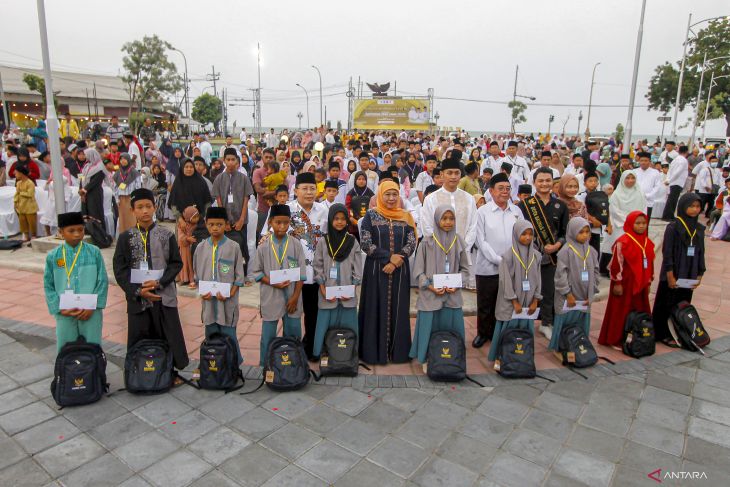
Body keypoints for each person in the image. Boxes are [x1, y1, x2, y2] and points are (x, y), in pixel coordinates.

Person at [112, 188, 189, 374]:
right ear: (133, 211)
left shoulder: (166, 235)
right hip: (138, 298)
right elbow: (120, 269)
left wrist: (159, 283)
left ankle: (169, 372)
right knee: (140, 335)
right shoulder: (125, 238)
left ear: (155, 208)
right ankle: (140, 373)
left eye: (148, 206)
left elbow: (176, 263)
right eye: (140, 207)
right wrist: (137, 291)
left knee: (167, 334)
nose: (145, 211)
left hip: (163, 295)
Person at [358, 180, 417, 364]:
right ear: (380, 195)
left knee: (399, 309)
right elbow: (366, 243)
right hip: (377, 270)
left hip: (400, 270)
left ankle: (398, 353)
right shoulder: (370, 215)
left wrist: (398, 259)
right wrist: (389, 257)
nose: (391, 198)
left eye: (394, 194)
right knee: (376, 308)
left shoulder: (406, 216)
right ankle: (374, 353)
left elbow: (411, 242)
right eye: (387, 194)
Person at [409, 205, 469, 363]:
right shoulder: (426, 243)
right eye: (444, 218)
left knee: (452, 327)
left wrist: (456, 285)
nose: (448, 222)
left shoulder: (459, 241)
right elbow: (418, 272)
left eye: (451, 218)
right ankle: (427, 357)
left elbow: (465, 270)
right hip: (430, 294)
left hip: (452, 295)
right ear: (437, 220)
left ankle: (454, 357)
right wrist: (430, 286)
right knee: (429, 326)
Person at [472, 173, 524, 348]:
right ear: (491, 191)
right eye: (500, 188)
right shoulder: (482, 212)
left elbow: (522, 236)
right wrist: (499, 260)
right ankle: (483, 333)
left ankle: (502, 332)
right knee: (486, 302)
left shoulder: (516, 212)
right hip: (488, 267)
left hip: (511, 266)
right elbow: (481, 240)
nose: (504, 192)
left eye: (508, 189)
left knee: (506, 301)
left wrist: (512, 260)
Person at [43, 212, 108, 351]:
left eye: (80, 229)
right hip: (65, 311)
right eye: (71, 231)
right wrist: (59, 308)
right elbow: (48, 285)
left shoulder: (94, 252)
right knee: (66, 347)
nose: (77, 234)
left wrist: (92, 307)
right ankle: (67, 373)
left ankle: (93, 372)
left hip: (91, 311)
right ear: (60, 232)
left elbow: (102, 281)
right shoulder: (53, 256)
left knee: (93, 346)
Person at [252, 204, 306, 365]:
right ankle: (266, 365)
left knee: (294, 333)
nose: (282, 226)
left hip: (293, 298)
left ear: (290, 222)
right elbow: (257, 272)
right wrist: (273, 282)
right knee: (268, 334)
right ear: (270, 222)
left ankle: (294, 365)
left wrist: (295, 297)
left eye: (285, 222)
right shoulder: (263, 247)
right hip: (271, 296)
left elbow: (301, 274)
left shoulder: (296, 245)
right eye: (278, 222)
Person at [518, 167, 569, 340]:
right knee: (526, 292)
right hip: (528, 257)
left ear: (552, 182)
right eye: (541, 181)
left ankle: (546, 323)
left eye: (548, 180)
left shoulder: (560, 205)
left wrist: (556, 245)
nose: (544, 184)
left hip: (552, 258)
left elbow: (565, 233)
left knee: (549, 292)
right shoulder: (525, 206)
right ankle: (523, 324)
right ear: (534, 183)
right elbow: (518, 231)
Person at [193, 206, 246, 365]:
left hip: (227, 302)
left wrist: (231, 292)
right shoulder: (200, 248)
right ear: (206, 224)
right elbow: (197, 276)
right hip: (208, 302)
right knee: (211, 334)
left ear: (226, 224)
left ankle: (233, 366)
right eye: (211, 224)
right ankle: (212, 368)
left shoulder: (234, 247)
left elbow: (239, 277)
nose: (215, 228)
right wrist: (202, 292)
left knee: (229, 335)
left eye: (219, 224)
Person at [652, 194, 706, 344]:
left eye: (697, 206)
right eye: (691, 206)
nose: (695, 209)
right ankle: (662, 333)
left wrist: (700, 273)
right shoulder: (673, 227)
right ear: (683, 206)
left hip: (689, 272)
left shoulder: (699, 228)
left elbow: (701, 251)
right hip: (674, 272)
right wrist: (670, 274)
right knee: (666, 302)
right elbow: (667, 252)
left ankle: (679, 332)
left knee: (682, 304)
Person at [287, 171, 329, 360]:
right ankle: (291, 349)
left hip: (315, 272)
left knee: (313, 313)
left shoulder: (324, 211)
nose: (309, 192)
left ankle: (312, 347)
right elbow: (272, 235)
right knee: (292, 313)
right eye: (304, 189)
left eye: (312, 188)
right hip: (294, 273)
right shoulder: (287, 210)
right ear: (296, 190)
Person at [312, 204, 363, 357]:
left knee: (349, 325)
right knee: (325, 325)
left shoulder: (352, 241)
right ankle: (321, 353)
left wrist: (353, 288)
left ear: (347, 221)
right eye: (336, 219)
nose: (340, 222)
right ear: (330, 220)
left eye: (343, 219)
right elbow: (317, 265)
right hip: (327, 292)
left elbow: (358, 267)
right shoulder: (323, 241)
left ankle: (349, 354)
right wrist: (322, 287)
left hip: (348, 295)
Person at [487, 220, 542, 361]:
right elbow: (505, 281)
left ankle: (523, 358)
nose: (528, 237)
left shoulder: (536, 256)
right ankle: (501, 357)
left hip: (528, 302)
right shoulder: (508, 256)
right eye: (524, 234)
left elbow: (538, 279)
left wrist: (536, 299)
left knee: (525, 330)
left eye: (531, 234)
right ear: (516, 234)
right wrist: (514, 301)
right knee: (506, 329)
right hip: (511, 303)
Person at [598, 211, 654, 347]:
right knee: (620, 311)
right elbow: (617, 264)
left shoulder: (648, 242)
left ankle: (639, 336)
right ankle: (615, 338)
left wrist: (649, 281)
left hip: (641, 283)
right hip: (625, 283)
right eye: (637, 223)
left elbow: (650, 263)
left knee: (639, 309)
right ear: (630, 223)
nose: (641, 226)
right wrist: (617, 282)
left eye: (643, 223)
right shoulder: (623, 241)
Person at [548, 217, 600, 351]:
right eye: (580, 232)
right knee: (565, 321)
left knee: (581, 320)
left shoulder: (592, 251)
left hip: (584, 295)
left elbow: (596, 272)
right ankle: (561, 347)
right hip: (568, 297)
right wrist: (567, 293)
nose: (585, 235)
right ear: (572, 232)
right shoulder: (565, 251)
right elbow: (560, 275)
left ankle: (580, 345)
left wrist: (592, 291)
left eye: (587, 232)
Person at [421, 150, 477, 251]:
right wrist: (442, 249)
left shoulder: (469, 199)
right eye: (449, 173)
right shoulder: (430, 199)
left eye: (457, 173)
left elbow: (473, 227)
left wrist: (464, 248)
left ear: (461, 175)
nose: (453, 177)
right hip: (437, 252)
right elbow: (427, 227)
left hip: (463, 252)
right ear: (442, 174)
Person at [211, 148, 254, 273]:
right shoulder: (219, 179)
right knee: (226, 247)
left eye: (233, 159)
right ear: (224, 161)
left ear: (237, 161)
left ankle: (243, 274)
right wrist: (224, 221)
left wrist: (241, 219)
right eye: (228, 159)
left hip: (241, 220)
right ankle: (227, 272)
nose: (230, 162)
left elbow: (246, 200)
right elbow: (219, 201)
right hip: (225, 222)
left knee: (242, 246)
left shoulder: (244, 178)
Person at [168, 158, 212, 257]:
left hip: (199, 223)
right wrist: (180, 219)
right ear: (182, 168)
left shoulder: (201, 182)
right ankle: (185, 271)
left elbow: (207, 202)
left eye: (191, 167)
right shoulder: (178, 183)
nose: (189, 169)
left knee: (198, 247)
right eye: (186, 167)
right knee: (183, 247)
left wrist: (204, 217)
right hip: (182, 223)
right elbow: (173, 204)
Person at [78, 149, 108, 230]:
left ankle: (99, 233)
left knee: (95, 212)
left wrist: (84, 190)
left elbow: (95, 182)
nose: (85, 156)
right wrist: (81, 190)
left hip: (94, 193)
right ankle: (88, 231)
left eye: (86, 154)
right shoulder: (86, 166)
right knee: (86, 212)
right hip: (85, 193)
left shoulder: (100, 168)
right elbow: (82, 178)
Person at [114, 153, 141, 235]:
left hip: (131, 197)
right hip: (121, 199)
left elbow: (138, 186)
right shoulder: (118, 173)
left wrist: (136, 198)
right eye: (121, 159)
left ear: (128, 160)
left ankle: (133, 234)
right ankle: (123, 235)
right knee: (123, 218)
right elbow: (115, 187)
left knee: (132, 217)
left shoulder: (134, 172)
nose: (123, 161)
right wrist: (116, 199)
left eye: (125, 159)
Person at [662, 145, 690, 220]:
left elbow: (670, 170)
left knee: (671, 199)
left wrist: (668, 179)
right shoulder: (683, 160)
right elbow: (678, 172)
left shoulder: (676, 159)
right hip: (677, 182)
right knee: (672, 200)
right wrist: (669, 180)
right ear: (686, 152)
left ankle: (669, 215)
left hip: (674, 182)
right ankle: (668, 216)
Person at [634, 151, 663, 220]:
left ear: (650, 161)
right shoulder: (634, 171)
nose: (643, 162)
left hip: (648, 201)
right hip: (635, 200)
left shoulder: (655, 172)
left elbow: (657, 186)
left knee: (645, 221)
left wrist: (648, 195)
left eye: (645, 160)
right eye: (641, 160)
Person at [14, 166, 38, 242]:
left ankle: (34, 235)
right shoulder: (18, 183)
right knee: (22, 222)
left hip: (30, 206)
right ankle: (26, 235)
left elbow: (30, 194)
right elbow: (16, 194)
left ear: (21, 173)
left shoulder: (30, 183)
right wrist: (15, 201)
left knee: (31, 222)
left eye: (16, 173)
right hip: (21, 206)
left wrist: (20, 193)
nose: (15, 174)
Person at [177, 206, 199, 288]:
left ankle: (192, 279)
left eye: (197, 216)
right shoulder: (182, 225)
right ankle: (184, 279)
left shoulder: (197, 225)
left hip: (192, 248)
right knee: (185, 263)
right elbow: (180, 237)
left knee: (192, 263)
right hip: (185, 249)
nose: (197, 219)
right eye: (194, 217)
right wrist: (187, 238)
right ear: (188, 217)